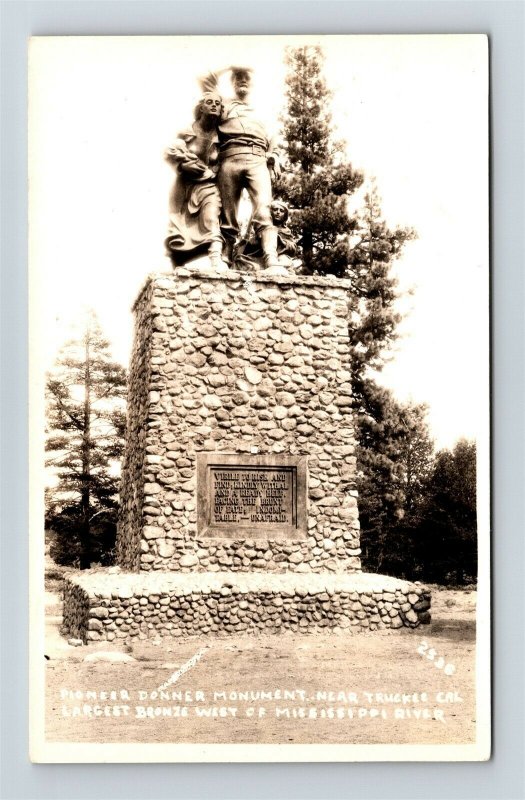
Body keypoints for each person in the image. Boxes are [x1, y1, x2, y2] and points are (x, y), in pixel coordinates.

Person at [199, 66, 282, 270]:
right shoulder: (223, 104)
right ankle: (225, 257)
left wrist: (275, 155)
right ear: (232, 82)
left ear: (252, 83)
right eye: (238, 78)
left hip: (257, 159)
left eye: (246, 78)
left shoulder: (261, 111)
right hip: (230, 157)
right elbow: (205, 79)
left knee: (264, 210)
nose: (242, 81)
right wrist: (230, 66)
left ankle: (271, 258)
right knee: (228, 214)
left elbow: (274, 138)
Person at [164, 91, 225, 270]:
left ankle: (216, 257)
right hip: (185, 187)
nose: (214, 105)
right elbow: (169, 153)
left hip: (208, 185)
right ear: (201, 107)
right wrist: (182, 166)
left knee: (211, 216)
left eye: (217, 103)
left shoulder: (222, 136)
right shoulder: (187, 131)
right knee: (180, 228)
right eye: (209, 102)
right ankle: (178, 261)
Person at [235, 200, 299, 271]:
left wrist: (281, 242)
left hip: (280, 255)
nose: (278, 212)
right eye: (275, 209)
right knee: (253, 266)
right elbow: (252, 245)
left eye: (281, 211)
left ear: (285, 215)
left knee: (285, 261)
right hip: (261, 257)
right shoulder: (262, 228)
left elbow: (293, 248)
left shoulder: (286, 231)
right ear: (270, 212)